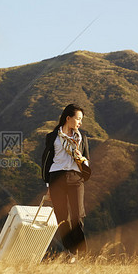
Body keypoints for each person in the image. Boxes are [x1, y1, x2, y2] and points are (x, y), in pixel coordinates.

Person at [41, 103, 90, 256]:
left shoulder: (82, 138)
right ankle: (71, 252)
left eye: (81, 120)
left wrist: (81, 158)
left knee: (77, 215)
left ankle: (80, 250)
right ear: (68, 118)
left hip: (76, 177)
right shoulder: (52, 137)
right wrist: (48, 184)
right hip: (56, 177)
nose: (80, 123)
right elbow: (47, 161)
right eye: (78, 119)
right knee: (62, 217)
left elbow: (87, 159)